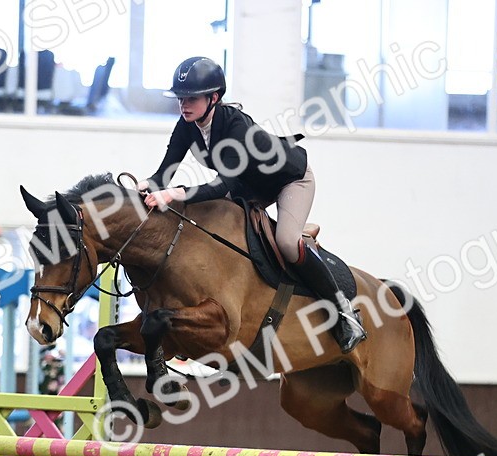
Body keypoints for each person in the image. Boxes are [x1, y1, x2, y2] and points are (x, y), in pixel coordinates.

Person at [138, 56, 366, 354]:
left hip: (289, 181)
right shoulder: (187, 126)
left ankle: (344, 312)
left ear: (213, 98)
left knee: (285, 242)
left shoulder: (235, 128)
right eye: (181, 98)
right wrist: (145, 186)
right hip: (250, 184)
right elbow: (164, 173)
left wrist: (172, 194)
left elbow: (225, 186)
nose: (184, 105)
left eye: (191, 98)